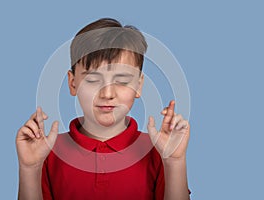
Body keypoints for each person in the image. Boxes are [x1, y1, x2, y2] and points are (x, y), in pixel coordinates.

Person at [16, 18, 191, 200]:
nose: (107, 93)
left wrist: (174, 161)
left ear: (139, 86)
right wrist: (30, 168)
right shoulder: (46, 151)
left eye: (122, 81)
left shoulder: (158, 150)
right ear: (72, 83)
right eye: (92, 80)